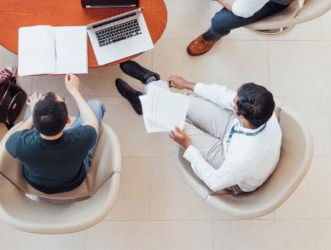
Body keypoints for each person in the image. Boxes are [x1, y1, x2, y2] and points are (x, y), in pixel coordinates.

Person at [114, 61, 281, 194]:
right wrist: (187, 84)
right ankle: (151, 85)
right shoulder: (262, 108)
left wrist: (187, 147)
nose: (232, 100)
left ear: (243, 117)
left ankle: (144, 101)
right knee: (182, 103)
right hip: (233, 128)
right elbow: (222, 96)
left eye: (234, 104)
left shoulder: (243, 158)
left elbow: (215, 182)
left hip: (228, 164)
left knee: (173, 124)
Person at [5, 74, 106, 194]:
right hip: (73, 181)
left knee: (32, 98)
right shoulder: (82, 138)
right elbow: (91, 121)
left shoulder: (19, 144)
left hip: (36, 183)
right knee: (95, 105)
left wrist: (33, 117)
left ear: (35, 125)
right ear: (68, 120)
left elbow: (12, 138)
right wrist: (74, 91)